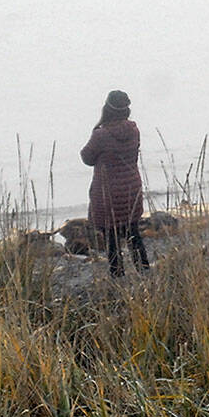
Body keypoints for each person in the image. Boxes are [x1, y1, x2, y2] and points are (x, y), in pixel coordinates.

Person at [80, 89, 150, 277]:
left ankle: (117, 276)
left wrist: (97, 129)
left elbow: (86, 157)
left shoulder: (101, 135)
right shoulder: (134, 130)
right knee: (133, 233)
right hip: (131, 189)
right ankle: (144, 272)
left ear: (107, 109)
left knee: (111, 238)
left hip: (108, 193)